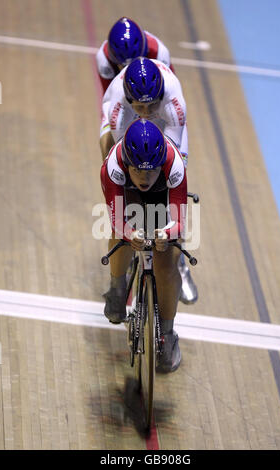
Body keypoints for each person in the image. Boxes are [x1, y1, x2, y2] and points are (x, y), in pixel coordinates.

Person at [100, 56, 197, 304]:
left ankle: (180, 263)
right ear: (129, 98)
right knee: (121, 175)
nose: (145, 113)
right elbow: (125, 156)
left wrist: (170, 223)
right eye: (140, 107)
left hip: (166, 131)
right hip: (127, 132)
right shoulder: (118, 109)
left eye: (151, 105)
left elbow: (172, 153)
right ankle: (118, 285)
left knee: (174, 179)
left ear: (160, 96)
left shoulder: (174, 102)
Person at [101, 119, 187, 372]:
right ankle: (117, 290)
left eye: (151, 171)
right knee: (123, 238)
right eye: (138, 170)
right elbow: (116, 219)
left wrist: (166, 233)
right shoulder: (113, 166)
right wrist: (129, 232)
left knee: (167, 263)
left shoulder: (175, 166)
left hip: (163, 198)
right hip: (127, 196)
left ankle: (168, 335)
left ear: (161, 164)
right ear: (127, 164)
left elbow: (179, 221)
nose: (145, 177)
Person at [96, 17, 174, 95]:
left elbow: (172, 89)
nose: (129, 69)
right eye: (123, 66)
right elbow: (108, 96)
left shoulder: (158, 52)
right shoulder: (104, 60)